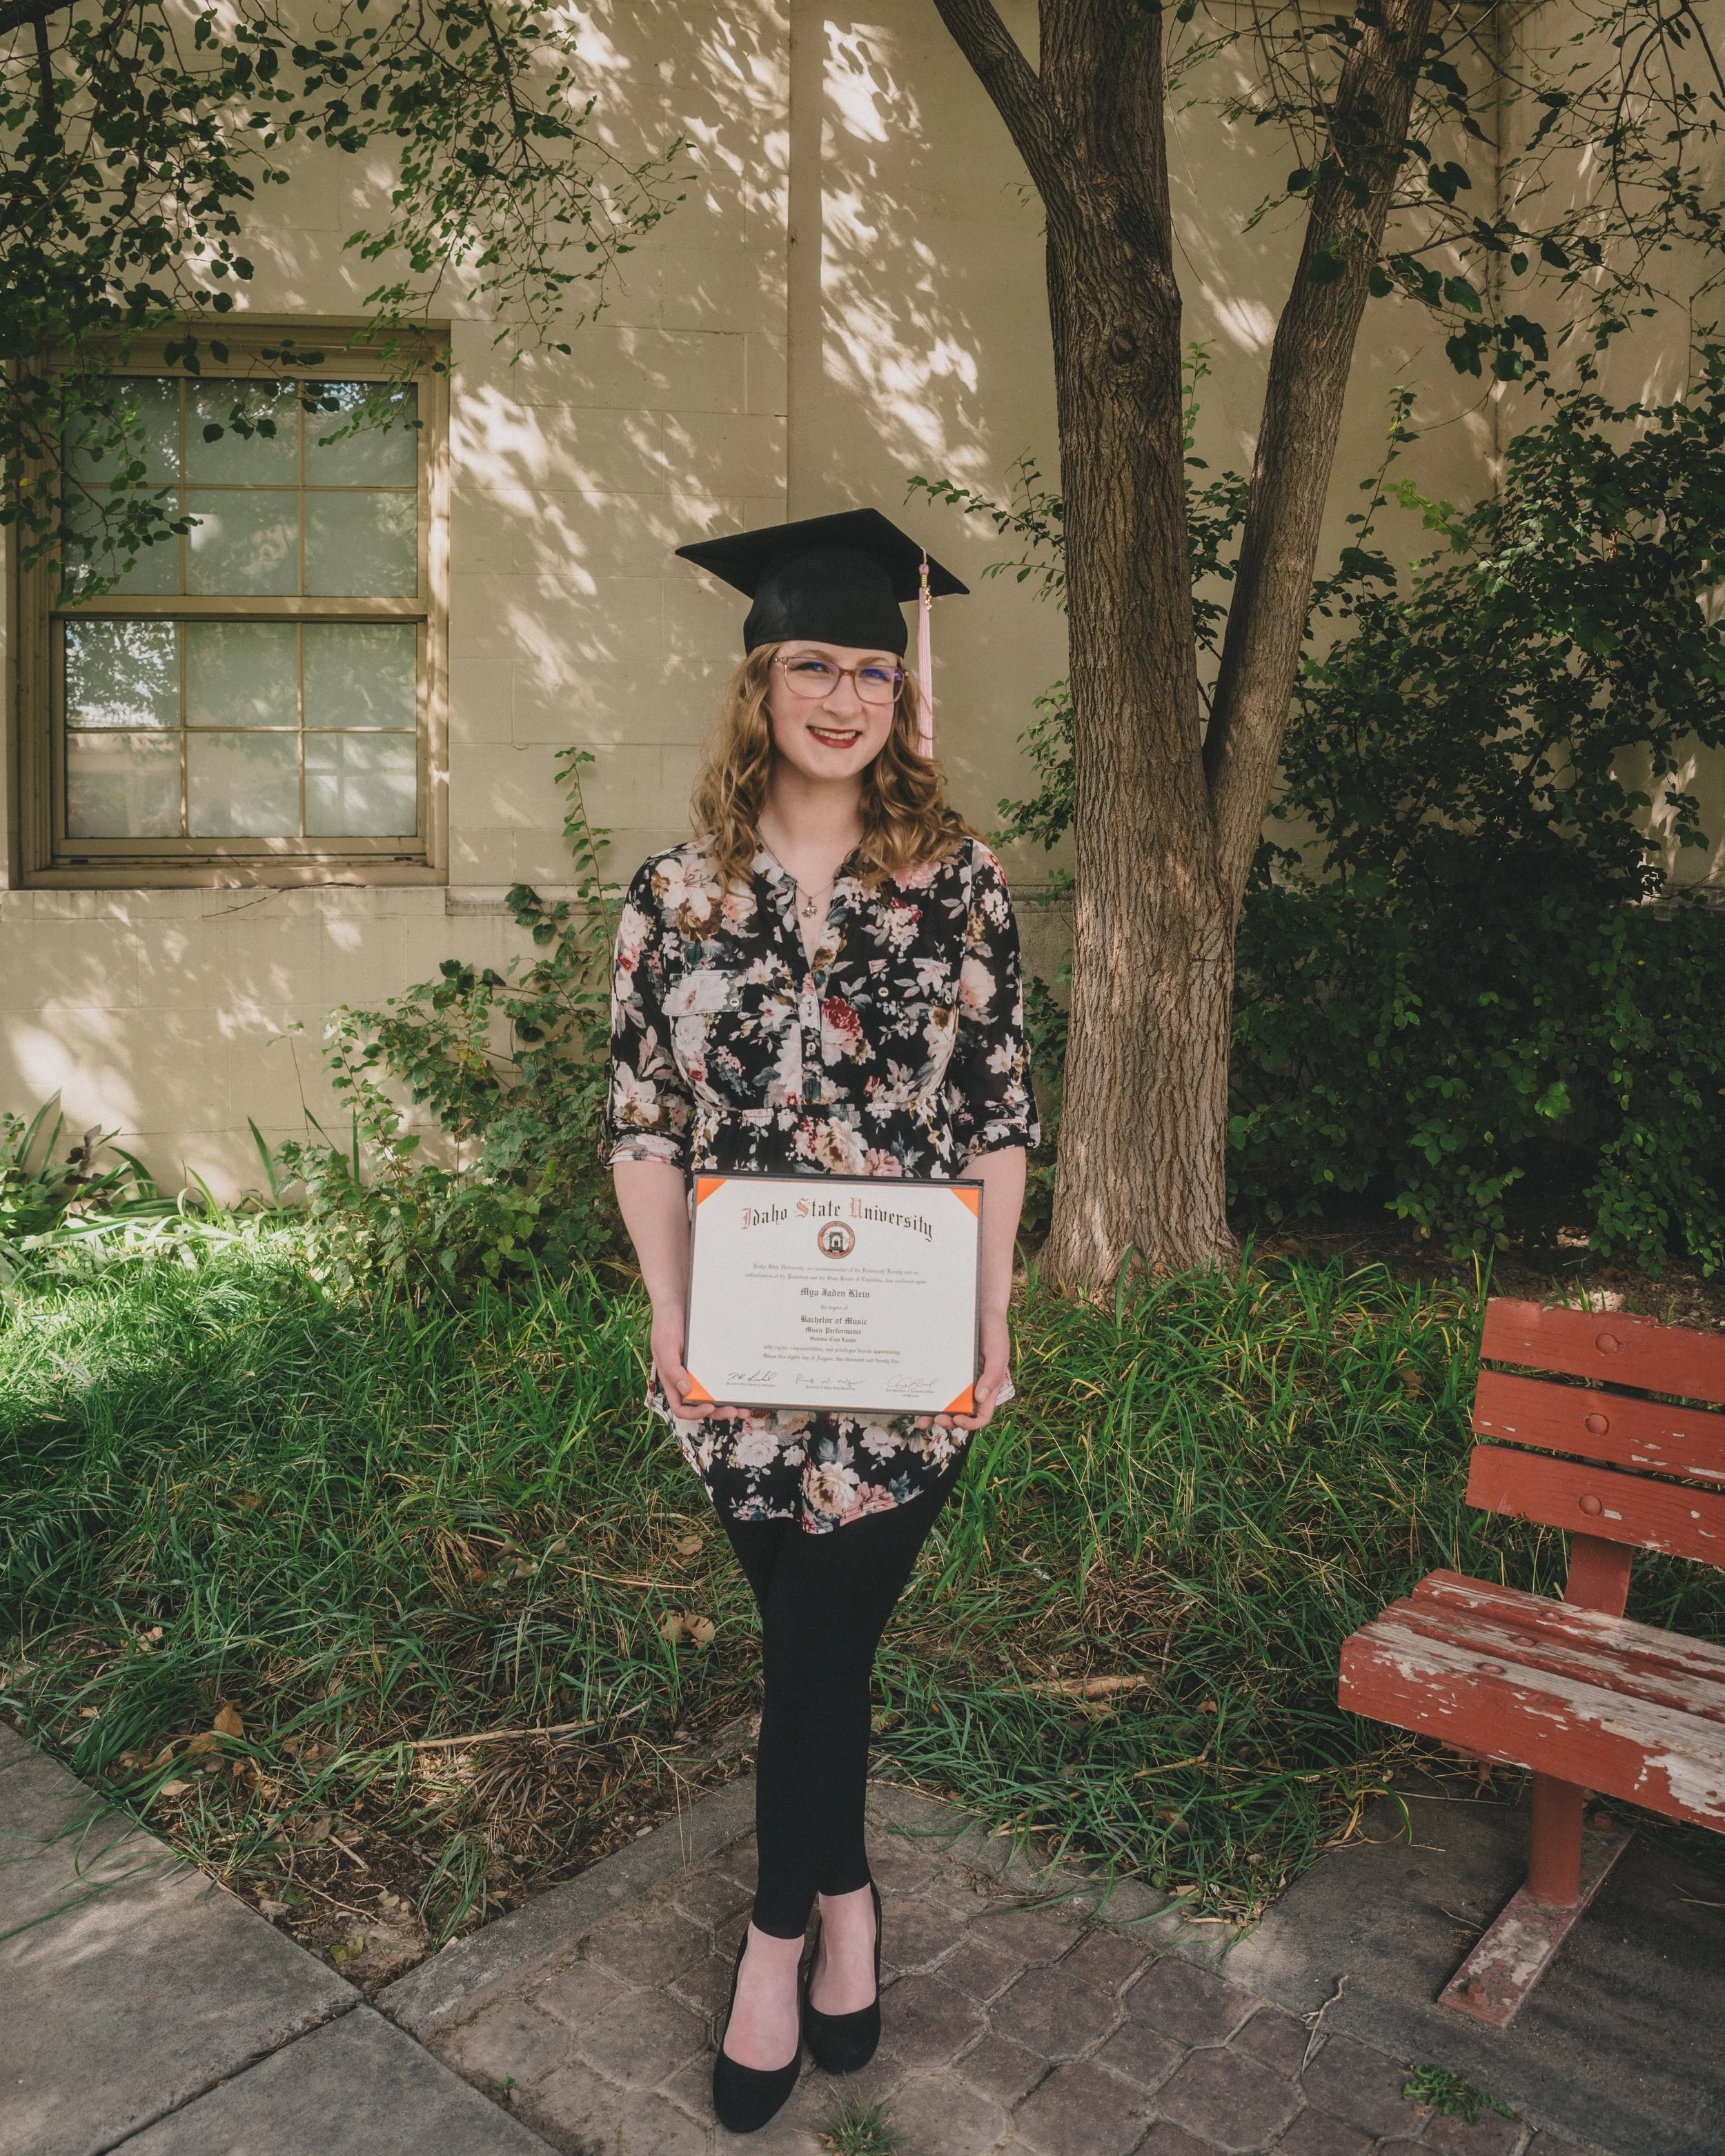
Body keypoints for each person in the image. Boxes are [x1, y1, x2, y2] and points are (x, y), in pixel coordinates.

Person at [605, 508, 1036, 2134]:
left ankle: (772, 1944)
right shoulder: (672, 895)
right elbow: (645, 1122)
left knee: (815, 1637)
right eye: (812, 665)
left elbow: (996, 1113)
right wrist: (669, 1312)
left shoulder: (958, 885)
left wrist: (990, 1320)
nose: (845, 694)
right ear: (757, 683)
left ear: (898, 691)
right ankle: (851, 1892)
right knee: (816, 1651)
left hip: (903, 1351)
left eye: (871, 665)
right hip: (741, 1353)